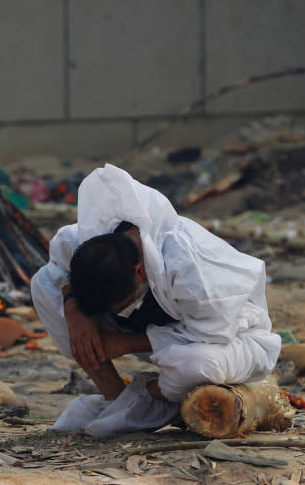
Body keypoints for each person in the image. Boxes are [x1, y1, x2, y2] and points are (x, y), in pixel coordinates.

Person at [31, 164, 281, 438]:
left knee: (198, 365)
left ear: (139, 272)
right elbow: (57, 267)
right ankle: (114, 396)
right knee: (43, 284)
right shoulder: (85, 239)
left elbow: (206, 335)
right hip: (156, 336)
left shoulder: (193, 272)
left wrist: (123, 343)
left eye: (119, 307)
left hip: (232, 340)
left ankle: (147, 399)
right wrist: (75, 311)